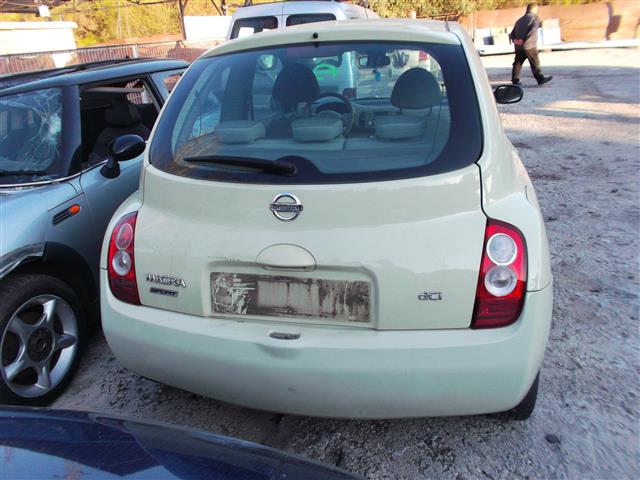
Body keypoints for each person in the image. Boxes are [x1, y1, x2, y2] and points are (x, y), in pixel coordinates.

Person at [510, 3, 552, 86]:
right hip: (529, 46)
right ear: (534, 9)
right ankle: (540, 79)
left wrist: (515, 40)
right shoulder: (535, 18)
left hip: (518, 46)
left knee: (517, 63)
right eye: (537, 9)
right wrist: (523, 40)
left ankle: (515, 80)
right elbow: (532, 31)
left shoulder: (519, 20)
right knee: (535, 62)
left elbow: (512, 33)